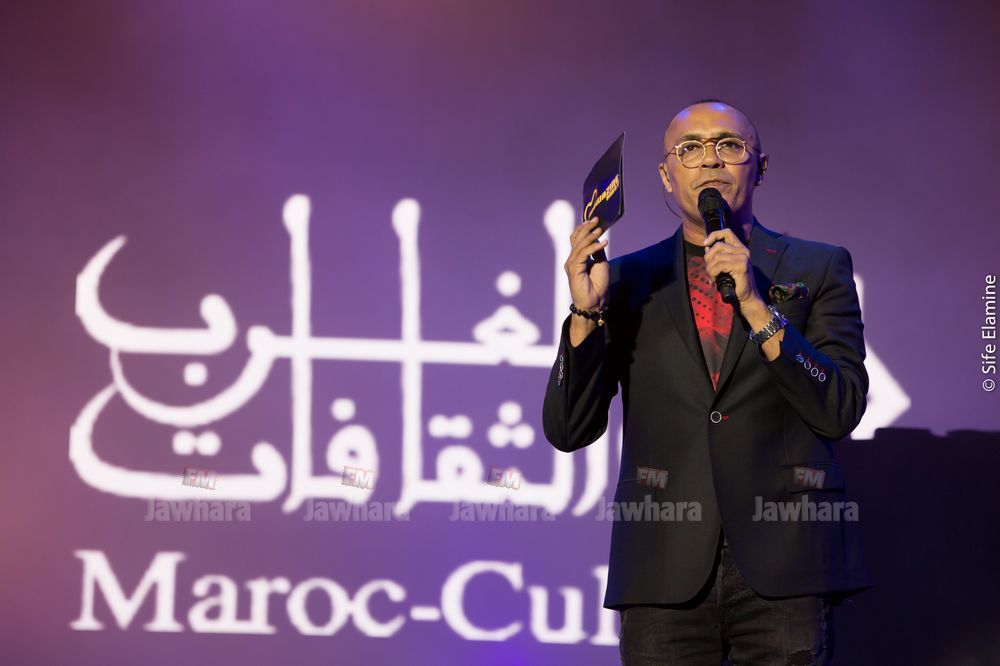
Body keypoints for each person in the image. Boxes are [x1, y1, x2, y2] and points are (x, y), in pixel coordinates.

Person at [542, 100, 871, 665]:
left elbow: (839, 407)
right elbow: (569, 429)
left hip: (787, 562)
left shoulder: (818, 268)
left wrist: (756, 306)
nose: (711, 160)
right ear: (666, 176)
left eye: (729, 146)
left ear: (759, 167)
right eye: (690, 149)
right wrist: (586, 314)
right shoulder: (627, 279)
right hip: (662, 564)